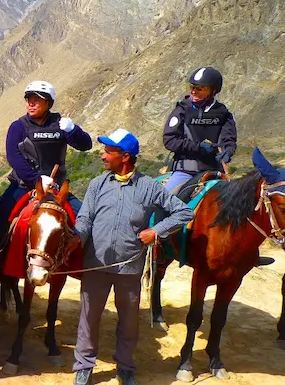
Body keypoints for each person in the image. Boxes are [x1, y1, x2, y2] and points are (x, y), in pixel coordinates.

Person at [72, 129, 192, 385]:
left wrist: (156, 231)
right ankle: (84, 365)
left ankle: (125, 367)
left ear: (125, 157)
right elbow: (85, 218)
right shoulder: (97, 184)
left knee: (128, 321)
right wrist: (77, 238)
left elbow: (184, 213)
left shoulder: (149, 187)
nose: (103, 156)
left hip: (129, 267)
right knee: (89, 318)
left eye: (108, 151)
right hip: (95, 264)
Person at [0, 80, 92, 271]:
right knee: (3, 213)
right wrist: (36, 179)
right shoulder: (18, 127)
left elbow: (86, 145)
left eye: (37, 100)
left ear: (48, 104)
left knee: (84, 215)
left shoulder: (60, 124)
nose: (31, 103)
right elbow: (14, 157)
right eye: (29, 99)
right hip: (24, 185)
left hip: (56, 188)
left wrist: (73, 130)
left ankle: (82, 258)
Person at [163, 67, 236, 192]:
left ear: (213, 90)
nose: (193, 92)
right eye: (192, 87)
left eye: (200, 89)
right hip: (186, 172)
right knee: (162, 201)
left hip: (215, 171)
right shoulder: (182, 110)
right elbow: (170, 140)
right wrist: (198, 147)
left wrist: (227, 151)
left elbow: (229, 139)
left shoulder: (223, 114)